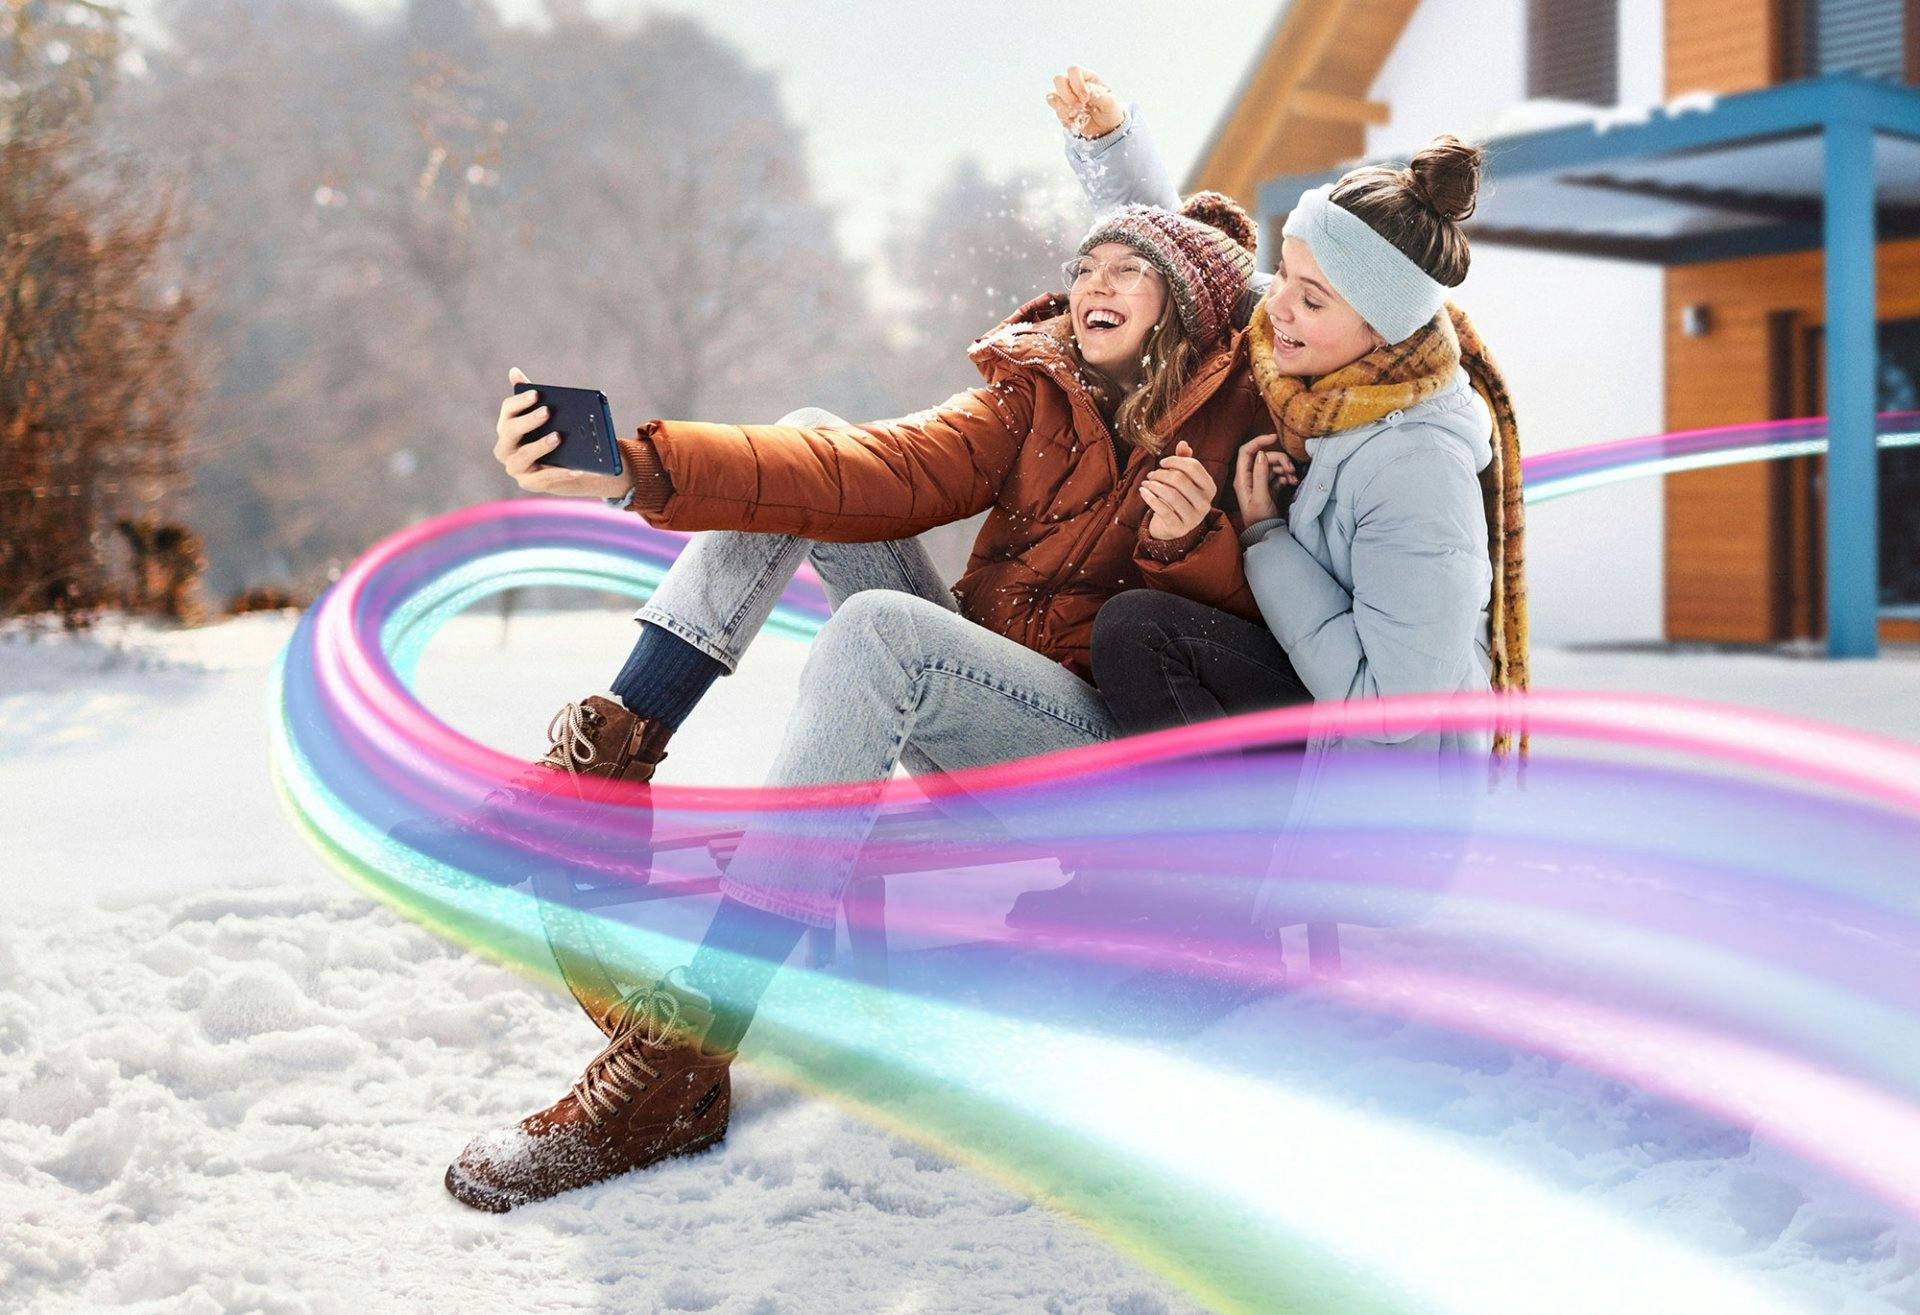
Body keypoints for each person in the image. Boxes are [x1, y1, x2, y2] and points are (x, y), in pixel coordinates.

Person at [435, 194, 1274, 1212]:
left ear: (1186, 306)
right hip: (982, 702)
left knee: (881, 631)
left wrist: (1198, 542)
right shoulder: (1037, 392)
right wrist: (634, 464)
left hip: (1094, 766)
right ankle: (599, 770)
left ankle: (686, 1055)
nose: (1094, 283)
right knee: (810, 450)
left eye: (1128, 271)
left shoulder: (1246, 427)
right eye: (1088, 262)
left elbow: (1243, 651)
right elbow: (873, 471)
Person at [1042, 68, 1531, 938]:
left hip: (1386, 813)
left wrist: (1266, 539)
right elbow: (1197, 272)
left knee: (1140, 631)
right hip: (1336, 745)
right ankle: (1176, 873)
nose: (1280, 313)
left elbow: (1392, 711)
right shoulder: (1332, 380)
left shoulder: (1415, 467)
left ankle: (1219, 905)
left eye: (1310, 298)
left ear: (1381, 326)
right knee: (1140, 623)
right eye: (1288, 278)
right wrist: (1109, 145)